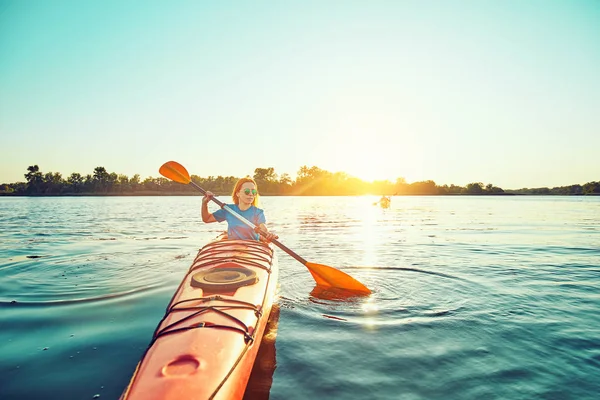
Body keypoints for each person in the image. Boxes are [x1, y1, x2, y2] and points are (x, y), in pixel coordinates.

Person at [201, 177, 278, 242]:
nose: (251, 194)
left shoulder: (258, 212)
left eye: (253, 191)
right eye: (247, 191)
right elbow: (207, 219)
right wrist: (204, 203)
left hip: (251, 248)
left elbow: (263, 228)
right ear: (238, 193)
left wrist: (268, 234)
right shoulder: (228, 210)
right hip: (233, 247)